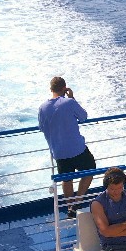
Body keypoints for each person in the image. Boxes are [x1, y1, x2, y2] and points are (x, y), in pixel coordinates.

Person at [38, 76, 96, 217]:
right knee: (90, 170)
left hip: (58, 151)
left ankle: (70, 207)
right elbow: (83, 116)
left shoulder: (42, 108)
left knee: (66, 179)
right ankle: (78, 201)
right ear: (65, 88)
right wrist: (72, 97)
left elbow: (42, 127)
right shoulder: (69, 102)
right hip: (77, 149)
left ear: (51, 89)